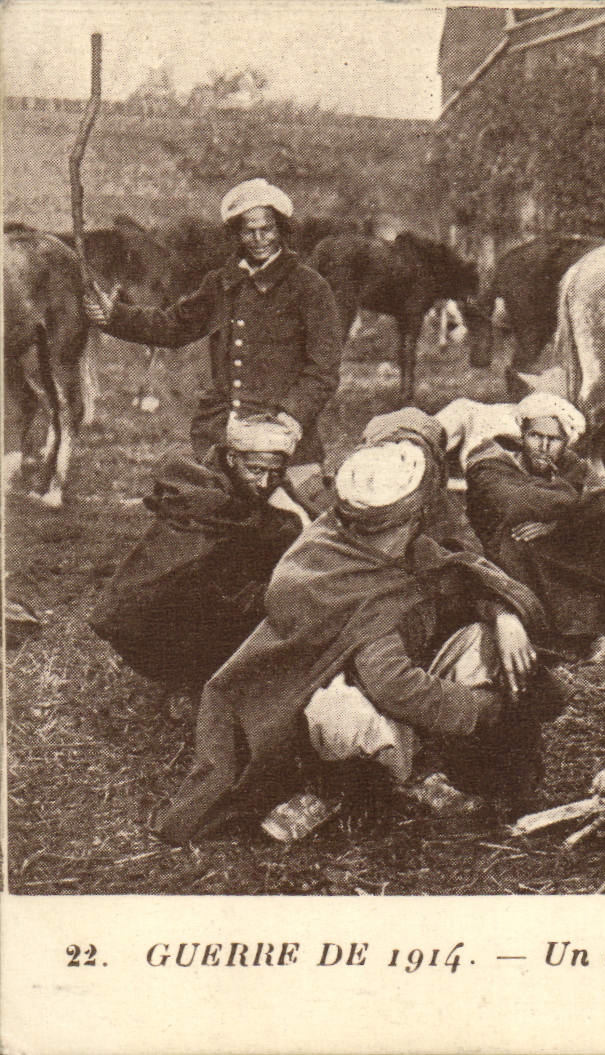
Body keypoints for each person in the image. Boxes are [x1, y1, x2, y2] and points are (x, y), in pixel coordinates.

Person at [155, 409, 556, 843]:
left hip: (397, 675)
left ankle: (454, 765)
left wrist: (504, 615)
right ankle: (354, 783)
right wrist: (481, 709)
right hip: (324, 704)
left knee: (486, 643)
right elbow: (394, 685)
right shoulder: (333, 569)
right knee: (342, 717)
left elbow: (464, 571)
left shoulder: (387, 540)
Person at [83, 178, 342, 498]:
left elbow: (324, 370)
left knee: (296, 526)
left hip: (287, 444)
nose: (259, 239)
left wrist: (289, 417)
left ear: (282, 230)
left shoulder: (310, 288)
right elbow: (173, 326)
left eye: (268, 229)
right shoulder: (222, 283)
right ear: (237, 234)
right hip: (222, 438)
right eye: (249, 231)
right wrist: (114, 315)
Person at [88, 411, 305, 705]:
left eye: (275, 473)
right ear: (231, 459)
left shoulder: (254, 484)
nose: (265, 482)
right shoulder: (202, 494)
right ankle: (191, 683)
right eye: (256, 470)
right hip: (156, 626)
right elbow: (221, 558)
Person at [464, 391, 605, 661]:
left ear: (565, 443)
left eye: (554, 440)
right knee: (522, 539)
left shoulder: (569, 464)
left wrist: (559, 524)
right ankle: (546, 632)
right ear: (522, 435)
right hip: (494, 550)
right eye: (535, 436)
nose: (543, 447)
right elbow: (517, 504)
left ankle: (594, 629)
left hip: (544, 545)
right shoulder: (491, 462)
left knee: (604, 531)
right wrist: (570, 497)